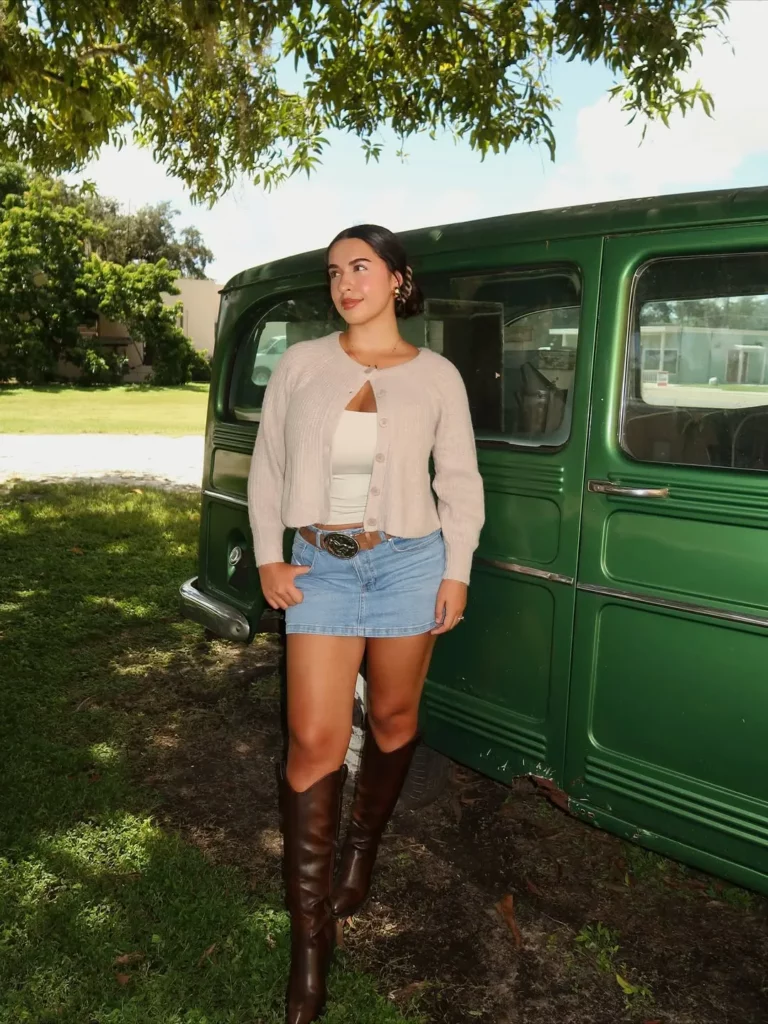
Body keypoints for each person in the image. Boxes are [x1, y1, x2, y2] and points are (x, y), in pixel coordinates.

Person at [247, 224, 485, 1024]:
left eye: (361, 267)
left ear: (397, 280)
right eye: (335, 272)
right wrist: (268, 557)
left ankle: (363, 850)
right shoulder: (303, 364)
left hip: (410, 563)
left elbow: (458, 480)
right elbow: (269, 465)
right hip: (318, 566)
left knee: (391, 718)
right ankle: (310, 944)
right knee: (312, 741)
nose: (346, 283)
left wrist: (457, 570)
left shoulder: (438, 376)